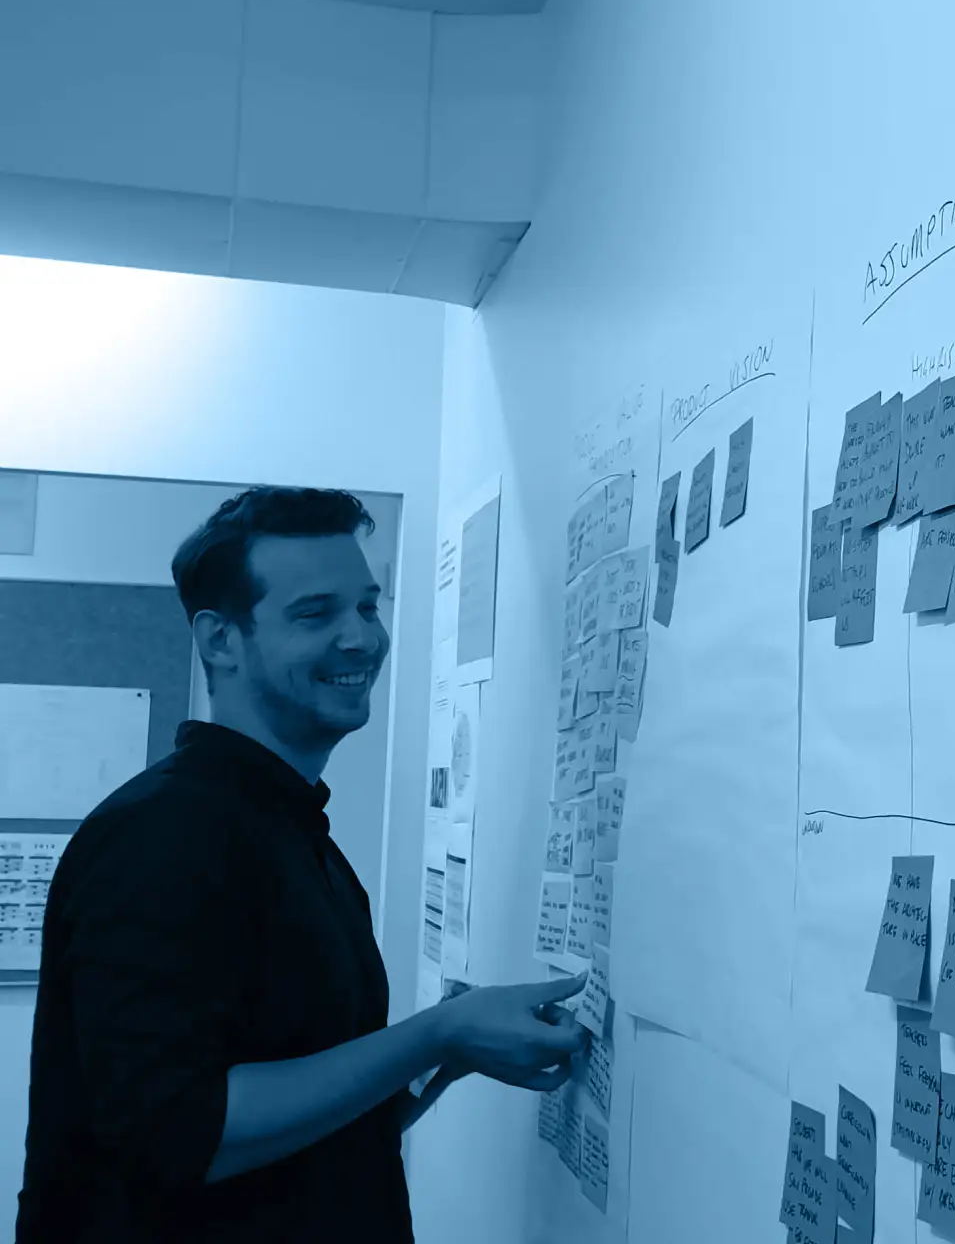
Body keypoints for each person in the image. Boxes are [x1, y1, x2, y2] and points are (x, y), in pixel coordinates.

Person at [18, 487, 587, 1243]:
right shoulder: (164, 836)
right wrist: (436, 1035)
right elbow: (183, 1134)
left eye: (367, 607)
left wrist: (453, 1052)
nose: (361, 639)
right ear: (221, 641)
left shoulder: (290, 831)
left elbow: (320, 1116)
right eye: (316, 614)